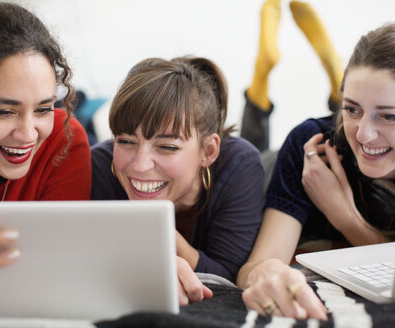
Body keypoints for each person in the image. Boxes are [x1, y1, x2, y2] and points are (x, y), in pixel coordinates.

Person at [237, 0, 395, 320]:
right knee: (250, 152)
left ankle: (336, 82)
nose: (365, 134)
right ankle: (268, 80)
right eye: (351, 107)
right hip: (267, 170)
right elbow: (255, 267)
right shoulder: (309, 143)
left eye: (390, 117)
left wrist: (343, 215)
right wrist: (267, 270)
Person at [0, 0, 91, 316]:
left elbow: (54, 272)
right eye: (4, 111)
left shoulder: (65, 140)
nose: (28, 134)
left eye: (43, 109)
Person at [91, 56, 265, 304]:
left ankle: (259, 92)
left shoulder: (240, 164)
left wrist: (157, 231)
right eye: (126, 141)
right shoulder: (99, 164)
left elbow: (230, 278)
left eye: (167, 147)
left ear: (209, 151)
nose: (140, 165)